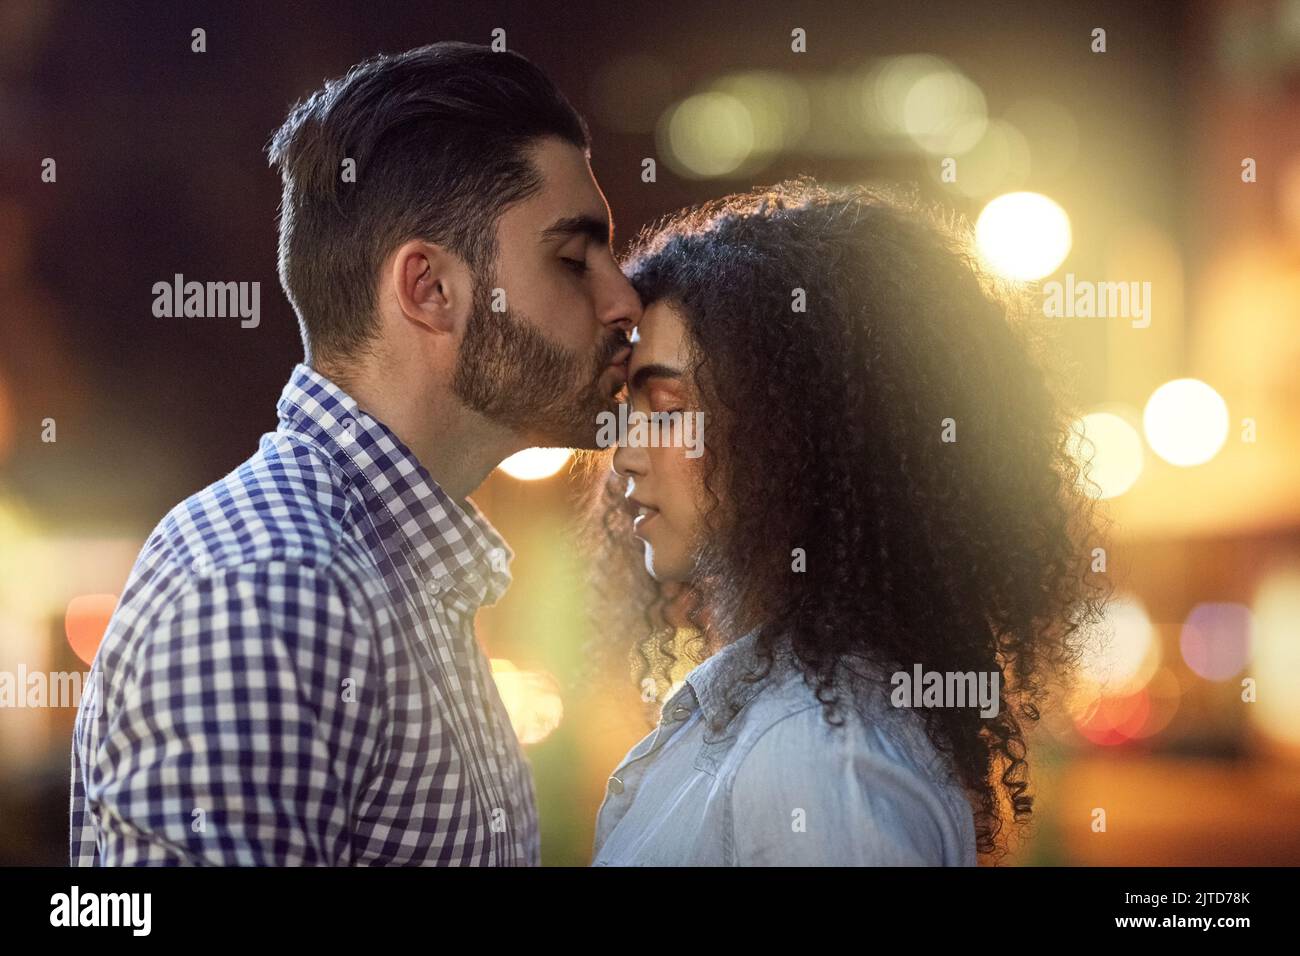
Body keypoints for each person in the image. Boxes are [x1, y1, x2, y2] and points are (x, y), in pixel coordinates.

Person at [71, 41, 640, 865]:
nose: (623, 296)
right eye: (571, 257)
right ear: (429, 290)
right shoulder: (276, 585)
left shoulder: (387, 579)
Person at [588, 179, 1106, 865]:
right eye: (631, 408)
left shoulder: (821, 756)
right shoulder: (801, 725)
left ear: (794, 434)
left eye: (669, 406)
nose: (624, 453)